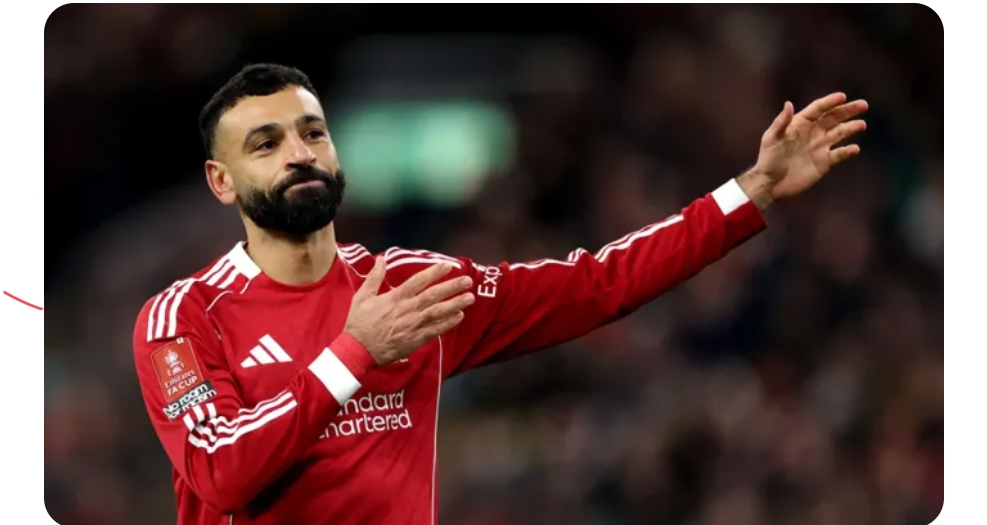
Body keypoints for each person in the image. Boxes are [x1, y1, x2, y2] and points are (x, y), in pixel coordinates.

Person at [131, 63, 868, 525]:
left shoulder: (412, 286)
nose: (299, 154)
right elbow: (222, 473)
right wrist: (355, 352)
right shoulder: (183, 317)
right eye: (265, 144)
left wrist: (750, 191)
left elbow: (596, 283)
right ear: (221, 181)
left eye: (312, 133)